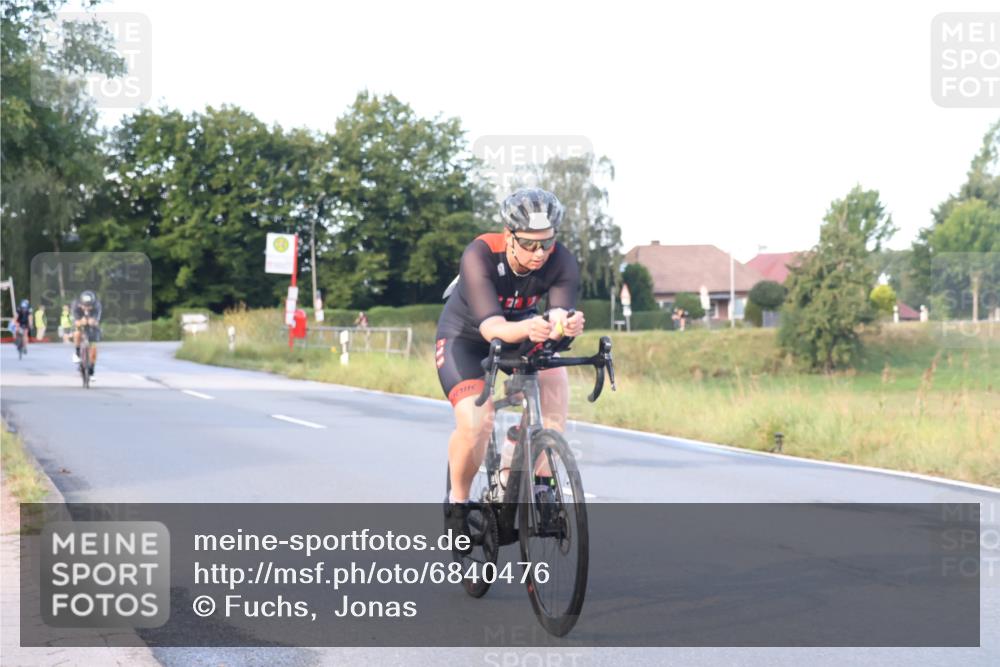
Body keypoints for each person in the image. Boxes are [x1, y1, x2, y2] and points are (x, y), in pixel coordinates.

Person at [435, 188, 585, 553]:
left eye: (546, 243)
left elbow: (557, 314)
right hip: (466, 339)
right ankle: (458, 503)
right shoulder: (480, 254)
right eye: (529, 244)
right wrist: (533, 326)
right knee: (477, 421)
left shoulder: (561, 261)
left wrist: (565, 324)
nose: (539, 254)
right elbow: (492, 329)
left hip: (521, 330)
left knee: (553, 384)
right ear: (509, 235)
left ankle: (539, 483)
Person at [71, 290, 102, 376]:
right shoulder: (75, 305)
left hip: (92, 325)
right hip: (80, 322)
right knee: (77, 333)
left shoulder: (97, 305)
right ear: (80, 304)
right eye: (84, 306)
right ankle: (77, 352)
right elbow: (76, 321)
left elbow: (96, 321)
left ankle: (92, 366)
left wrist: (92, 321)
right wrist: (81, 321)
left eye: (89, 306)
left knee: (93, 346)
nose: (87, 308)